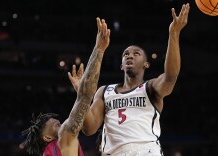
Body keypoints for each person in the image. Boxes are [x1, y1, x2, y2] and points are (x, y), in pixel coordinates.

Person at [71, 3, 190, 156]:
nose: (129, 55)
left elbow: (171, 77)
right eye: (126, 54)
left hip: (146, 151)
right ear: (121, 65)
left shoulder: (150, 88)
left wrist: (174, 33)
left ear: (146, 64)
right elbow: (89, 128)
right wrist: (83, 95)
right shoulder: (105, 91)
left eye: (136, 53)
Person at [20, 17, 110, 156]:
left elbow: (83, 99)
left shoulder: (51, 151)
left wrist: (82, 93)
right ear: (47, 137)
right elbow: (85, 97)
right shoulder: (64, 138)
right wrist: (99, 50)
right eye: (48, 123)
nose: (56, 120)